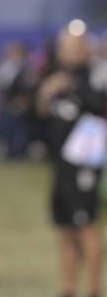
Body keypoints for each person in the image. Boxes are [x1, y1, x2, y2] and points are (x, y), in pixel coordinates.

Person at [37, 24, 106, 297]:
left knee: (86, 227)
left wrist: (76, 84)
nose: (69, 52)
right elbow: (40, 114)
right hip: (61, 166)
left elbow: (99, 107)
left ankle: (93, 289)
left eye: (75, 47)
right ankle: (67, 289)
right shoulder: (56, 78)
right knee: (64, 228)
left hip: (84, 165)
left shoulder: (94, 76)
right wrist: (46, 91)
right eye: (65, 47)